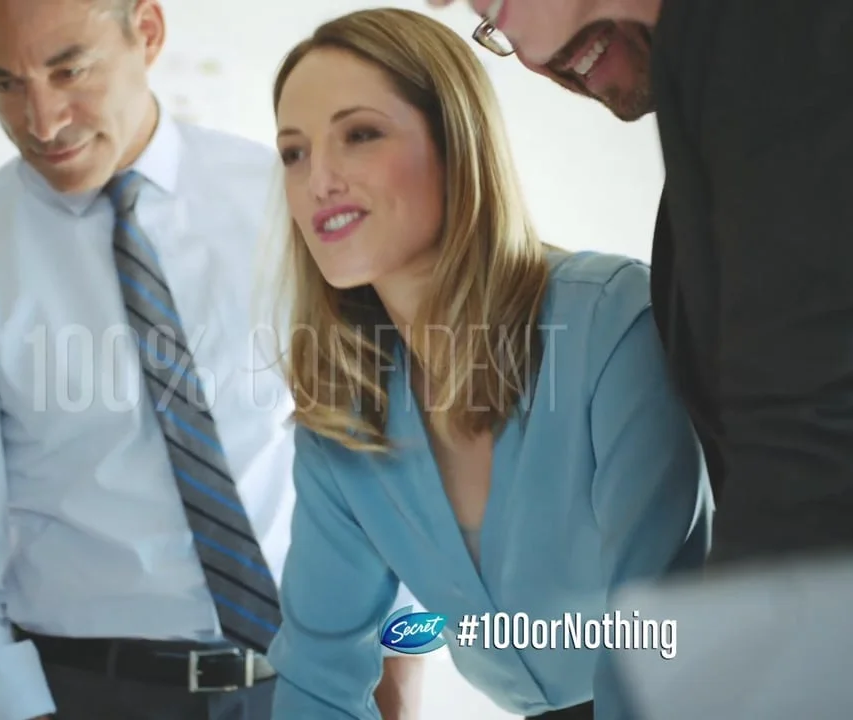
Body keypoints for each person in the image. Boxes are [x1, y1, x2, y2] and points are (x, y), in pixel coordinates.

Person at [0, 0, 422, 718]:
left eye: (69, 71)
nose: (41, 121)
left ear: (146, 33)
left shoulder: (287, 204)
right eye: (4, 83)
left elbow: (390, 470)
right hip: (90, 694)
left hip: (314, 679)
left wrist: (399, 690)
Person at [263, 8, 711, 720]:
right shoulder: (342, 409)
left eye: (360, 134)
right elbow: (318, 678)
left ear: (455, 143)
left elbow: (660, 642)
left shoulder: (609, 325)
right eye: (293, 152)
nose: (318, 180)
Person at [431, 0, 853, 563]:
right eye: (488, 22)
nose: (529, 52)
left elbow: (802, 433)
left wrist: (750, 614)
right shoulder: (693, 188)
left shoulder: (774, 33)